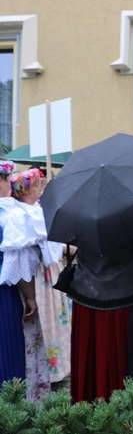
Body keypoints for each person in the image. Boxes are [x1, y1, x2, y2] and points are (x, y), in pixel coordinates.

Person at [66, 230, 133, 402]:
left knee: (93, 357)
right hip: (128, 296)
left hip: (87, 294)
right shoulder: (131, 210)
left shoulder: (76, 209)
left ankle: (90, 404)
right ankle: (131, 410)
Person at [11, 169, 71, 387]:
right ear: (27, 190)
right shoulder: (26, 213)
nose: (40, 189)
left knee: (57, 317)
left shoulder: (36, 210)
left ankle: (59, 366)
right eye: (37, 185)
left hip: (49, 270)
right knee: (46, 318)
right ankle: (48, 369)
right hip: (39, 272)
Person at [0, 160, 48, 401]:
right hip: (4, 294)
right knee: (7, 346)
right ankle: (10, 406)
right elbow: (21, 262)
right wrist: (31, 297)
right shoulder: (12, 214)